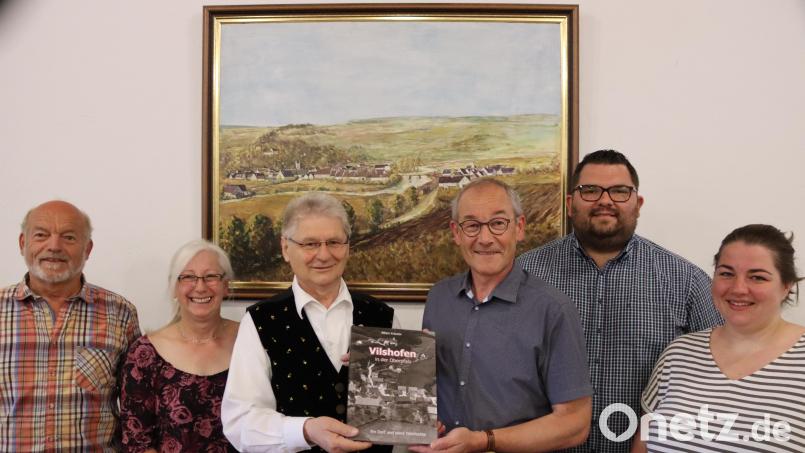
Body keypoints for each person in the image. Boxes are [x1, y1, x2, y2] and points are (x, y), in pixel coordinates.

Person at [517, 150, 722, 452]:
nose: (605, 200)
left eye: (619, 191)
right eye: (590, 190)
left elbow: (718, 377)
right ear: (571, 204)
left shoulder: (687, 282)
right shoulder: (524, 274)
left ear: (637, 204)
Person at [414, 178, 593, 453]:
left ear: (519, 228)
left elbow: (575, 424)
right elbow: (425, 387)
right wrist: (375, 359)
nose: (485, 239)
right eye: (472, 225)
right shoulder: (439, 298)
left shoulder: (553, 310)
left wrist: (484, 441)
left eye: (498, 223)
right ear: (456, 232)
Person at [222, 193, 397, 453]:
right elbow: (240, 422)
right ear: (285, 248)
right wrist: (304, 430)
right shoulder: (260, 321)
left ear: (348, 246)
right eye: (310, 244)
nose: (324, 255)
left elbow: (397, 414)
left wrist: (419, 365)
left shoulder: (383, 316)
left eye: (334, 242)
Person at [632, 224, 805, 452]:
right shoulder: (679, 352)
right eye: (726, 274)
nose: (739, 288)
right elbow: (642, 444)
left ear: (786, 286)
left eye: (757, 277)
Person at [0, 200, 140, 451]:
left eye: (69, 237)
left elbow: (136, 409)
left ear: (88, 249)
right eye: (41, 235)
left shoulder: (120, 313)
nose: (54, 246)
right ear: (23, 244)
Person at [120, 239, 239, 452]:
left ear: (226, 286)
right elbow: (137, 441)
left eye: (211, 276)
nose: (200, 287)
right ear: (175, 287)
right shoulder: (145, 353)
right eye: (188, 277)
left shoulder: (252, 341)